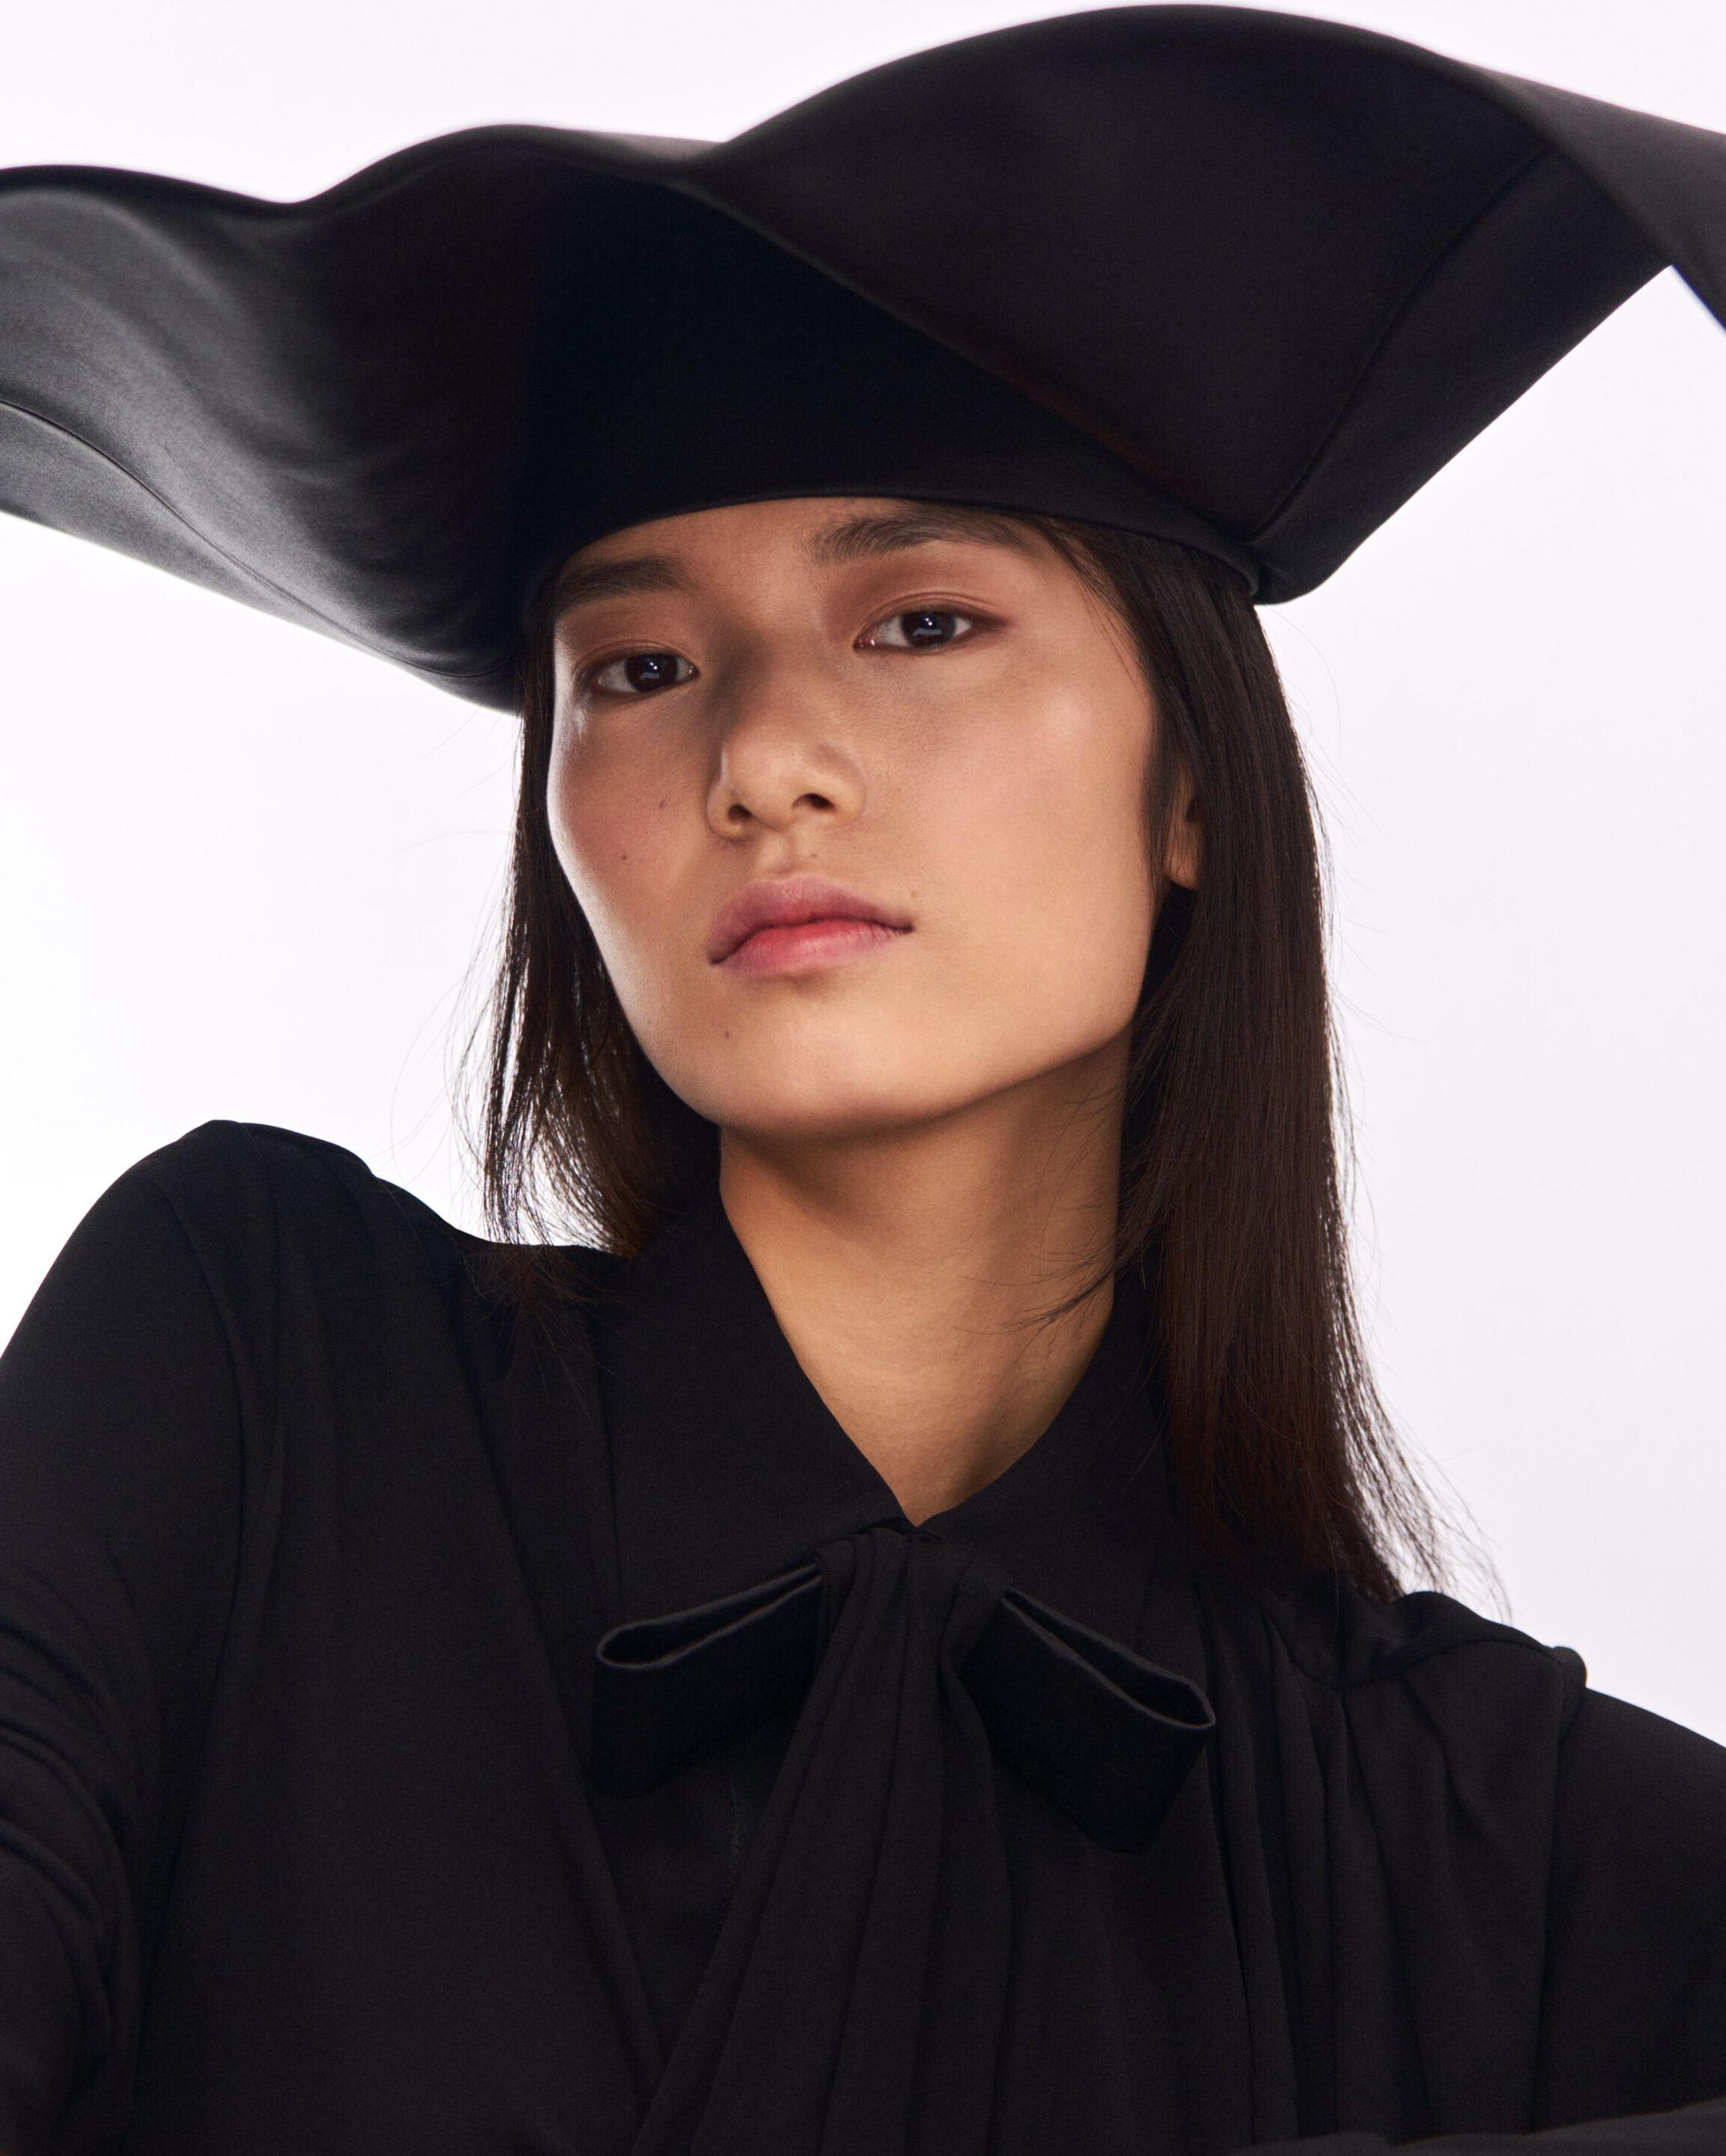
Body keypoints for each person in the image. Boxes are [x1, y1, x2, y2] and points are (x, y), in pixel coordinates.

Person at [1, 8, 1725, 2154]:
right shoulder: (265, 1370)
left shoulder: (1456, 1823)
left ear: (1193, 784)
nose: (758, 760)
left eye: (919, 624)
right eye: (639, 669)